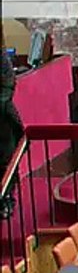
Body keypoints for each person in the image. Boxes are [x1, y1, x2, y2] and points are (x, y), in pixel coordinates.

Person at [0, 51, 23, 219]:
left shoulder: (1, 58)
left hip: (3, 120)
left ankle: (7, 200)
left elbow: (8, 84)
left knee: (7, 161)